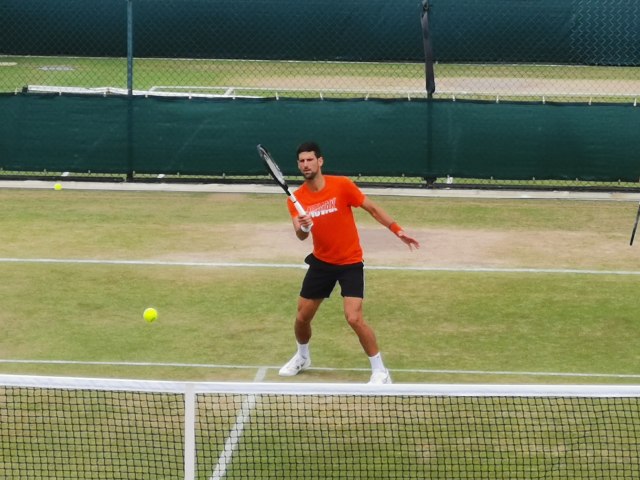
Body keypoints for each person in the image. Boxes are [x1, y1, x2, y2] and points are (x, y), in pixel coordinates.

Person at [278, 141, 420, 384]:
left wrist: (397, 230)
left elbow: (372, 208)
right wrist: (305, 227)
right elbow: (301, 236)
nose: (305, 164)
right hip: (321, 263)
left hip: (350, 262)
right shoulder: (296, 199)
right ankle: (302, 357)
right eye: (301, 161)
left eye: (310, 159)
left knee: (354, 317)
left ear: (320, 161)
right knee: (302, 318)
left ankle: (380, 370)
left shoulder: (341, 185)